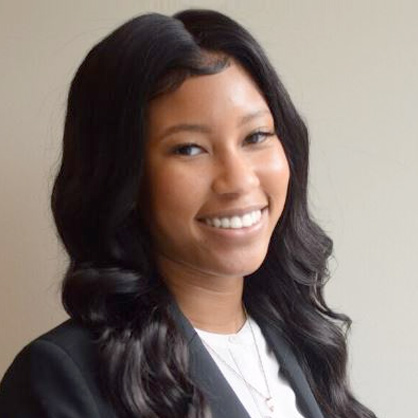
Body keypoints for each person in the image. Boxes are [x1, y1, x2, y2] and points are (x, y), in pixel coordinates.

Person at [0, 8, 377, 418]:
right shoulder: (63, 376)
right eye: (189, 149)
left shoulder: (305, 343)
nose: (238, 180)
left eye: (256, 136)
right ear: (122, 177)